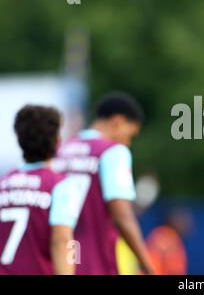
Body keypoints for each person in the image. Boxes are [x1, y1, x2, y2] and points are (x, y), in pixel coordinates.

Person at [53, 92, 154, 275]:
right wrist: (148, 266)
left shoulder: (61, 151)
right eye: (130, 134)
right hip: (94, 263)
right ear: (117, 121)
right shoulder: (113, 152)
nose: (128, 143)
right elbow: (122, 216)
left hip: (58, 262)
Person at [0, 105, 80, 275]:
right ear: (58, 141)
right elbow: (62, 240)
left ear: (19, 140)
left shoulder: (3, 184)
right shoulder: (60, 185)